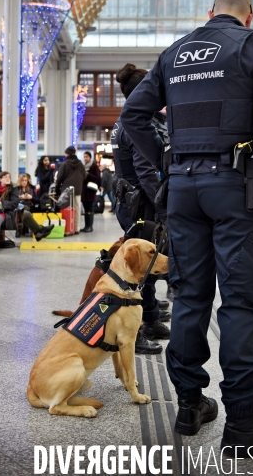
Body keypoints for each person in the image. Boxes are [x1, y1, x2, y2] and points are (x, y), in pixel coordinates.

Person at [121, 0, 253, 456]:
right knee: (239, 303)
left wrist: (166, 162)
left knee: (190, 295)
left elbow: (133, 113)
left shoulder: (175, 53)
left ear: (209, 12)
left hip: (182, 190)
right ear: (249, 15)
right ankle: (241, 424)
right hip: (237, 189)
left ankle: (189, 404)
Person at [112, 63, 171, 355]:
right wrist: (165, 209)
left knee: (147, 265)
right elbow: (147, 172)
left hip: (132, 202)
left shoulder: (126, 119)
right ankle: (139, 329)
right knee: (142, 268)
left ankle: (150, 317)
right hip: (142, 203)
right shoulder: (138, 123)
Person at [55, 146, 86, 235]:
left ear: (67, 154)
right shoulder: (80, 164)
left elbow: (59, 178)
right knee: (77, 208)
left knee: (67, 209)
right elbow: (84, 176)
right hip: (77, 190)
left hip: (66, 191)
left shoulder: (64, 164)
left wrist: (57, 189)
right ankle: (76, 229)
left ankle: (68, 228)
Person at [16, 173, 54, 240]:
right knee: (25, 211)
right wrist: (20, 197)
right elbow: (13, 200)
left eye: (25, 180)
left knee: (27, 210)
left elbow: (37, 200)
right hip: (19, 206)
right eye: (22, 180)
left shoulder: (31, 188)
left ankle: (38, 232)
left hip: (29, 206)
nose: (24, 182)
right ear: (20, 181)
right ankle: (40, 230)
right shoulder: (16, 189)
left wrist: (31, 197)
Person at [80, 151, 101, 233]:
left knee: (90, 209)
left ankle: (90, 226)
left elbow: (97, 178)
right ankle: (86, 226)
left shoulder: (94, 166)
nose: (85, 158)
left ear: (90, 157)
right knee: (85, 210)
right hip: (84, 191)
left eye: (87, 157)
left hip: (90, 191)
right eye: (84, 157)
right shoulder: (83, 166)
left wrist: (87, 174)